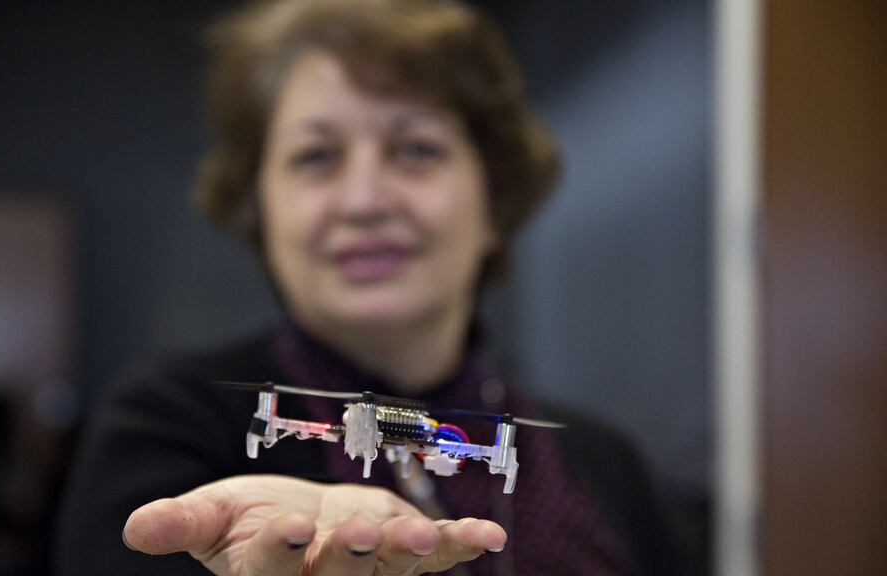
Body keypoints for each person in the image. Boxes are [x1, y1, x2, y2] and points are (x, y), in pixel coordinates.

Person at [54, 1, 679, 574]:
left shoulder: (605, 465)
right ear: (259, 208)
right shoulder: (167, 426)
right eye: (317, 157)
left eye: (416, 149)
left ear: (495, 201)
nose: (364, 200)